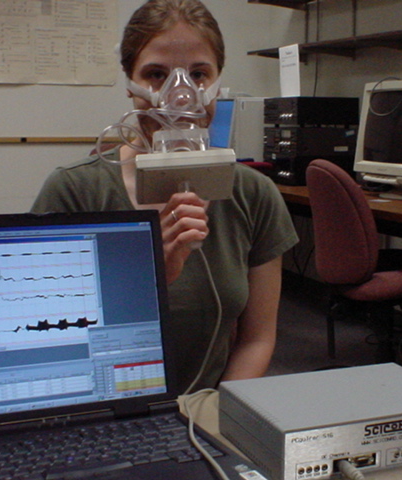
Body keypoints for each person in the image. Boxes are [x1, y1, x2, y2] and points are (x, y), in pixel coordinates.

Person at [31, 0, 298, 394]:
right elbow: (45, 341)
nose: (180, 95)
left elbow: (257, 340)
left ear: (218, 83)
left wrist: (215, 417)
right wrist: (153, 279)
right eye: (156, 74)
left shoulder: (253, 194)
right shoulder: (73, 191)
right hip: (98, 408)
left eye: (198, 74)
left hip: (207, 410)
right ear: (129, 83)